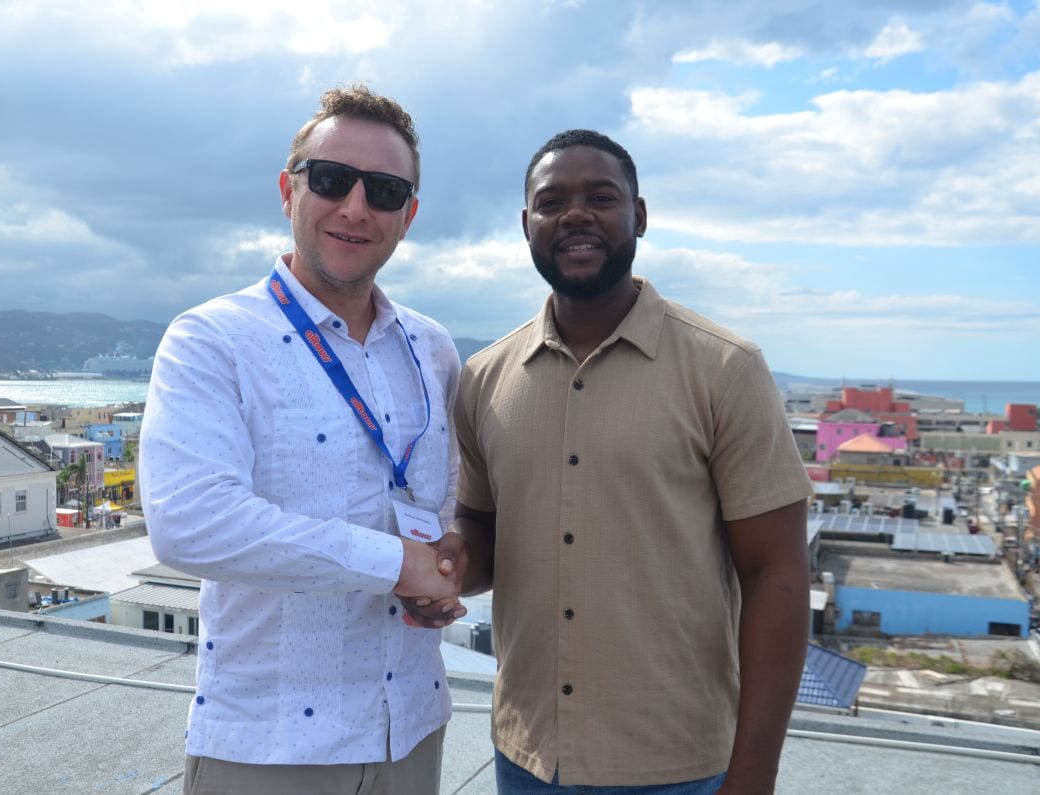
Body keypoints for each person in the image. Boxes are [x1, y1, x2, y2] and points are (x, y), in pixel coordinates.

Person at [409, 129, 813, 793]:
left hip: (680, 766)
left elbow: (778, 575)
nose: (575, 214)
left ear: (640, 216)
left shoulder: (725, 368)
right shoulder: (484, 378)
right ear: (527, 225)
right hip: (528, 758)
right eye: (552, 202)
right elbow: (482, 528)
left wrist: (754, 774)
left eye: (601, 197)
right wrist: (448, 568)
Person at [139, 85, 466, 795]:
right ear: (289, 189)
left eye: (384, 191)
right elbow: (189, 522)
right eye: (331, 179)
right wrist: (396, 564)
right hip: (271, 745)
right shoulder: (212, 339)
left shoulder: (433, 348)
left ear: (408, 216)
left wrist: (441, 568)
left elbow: (444, 502)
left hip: (412, 727)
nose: (355, 207)